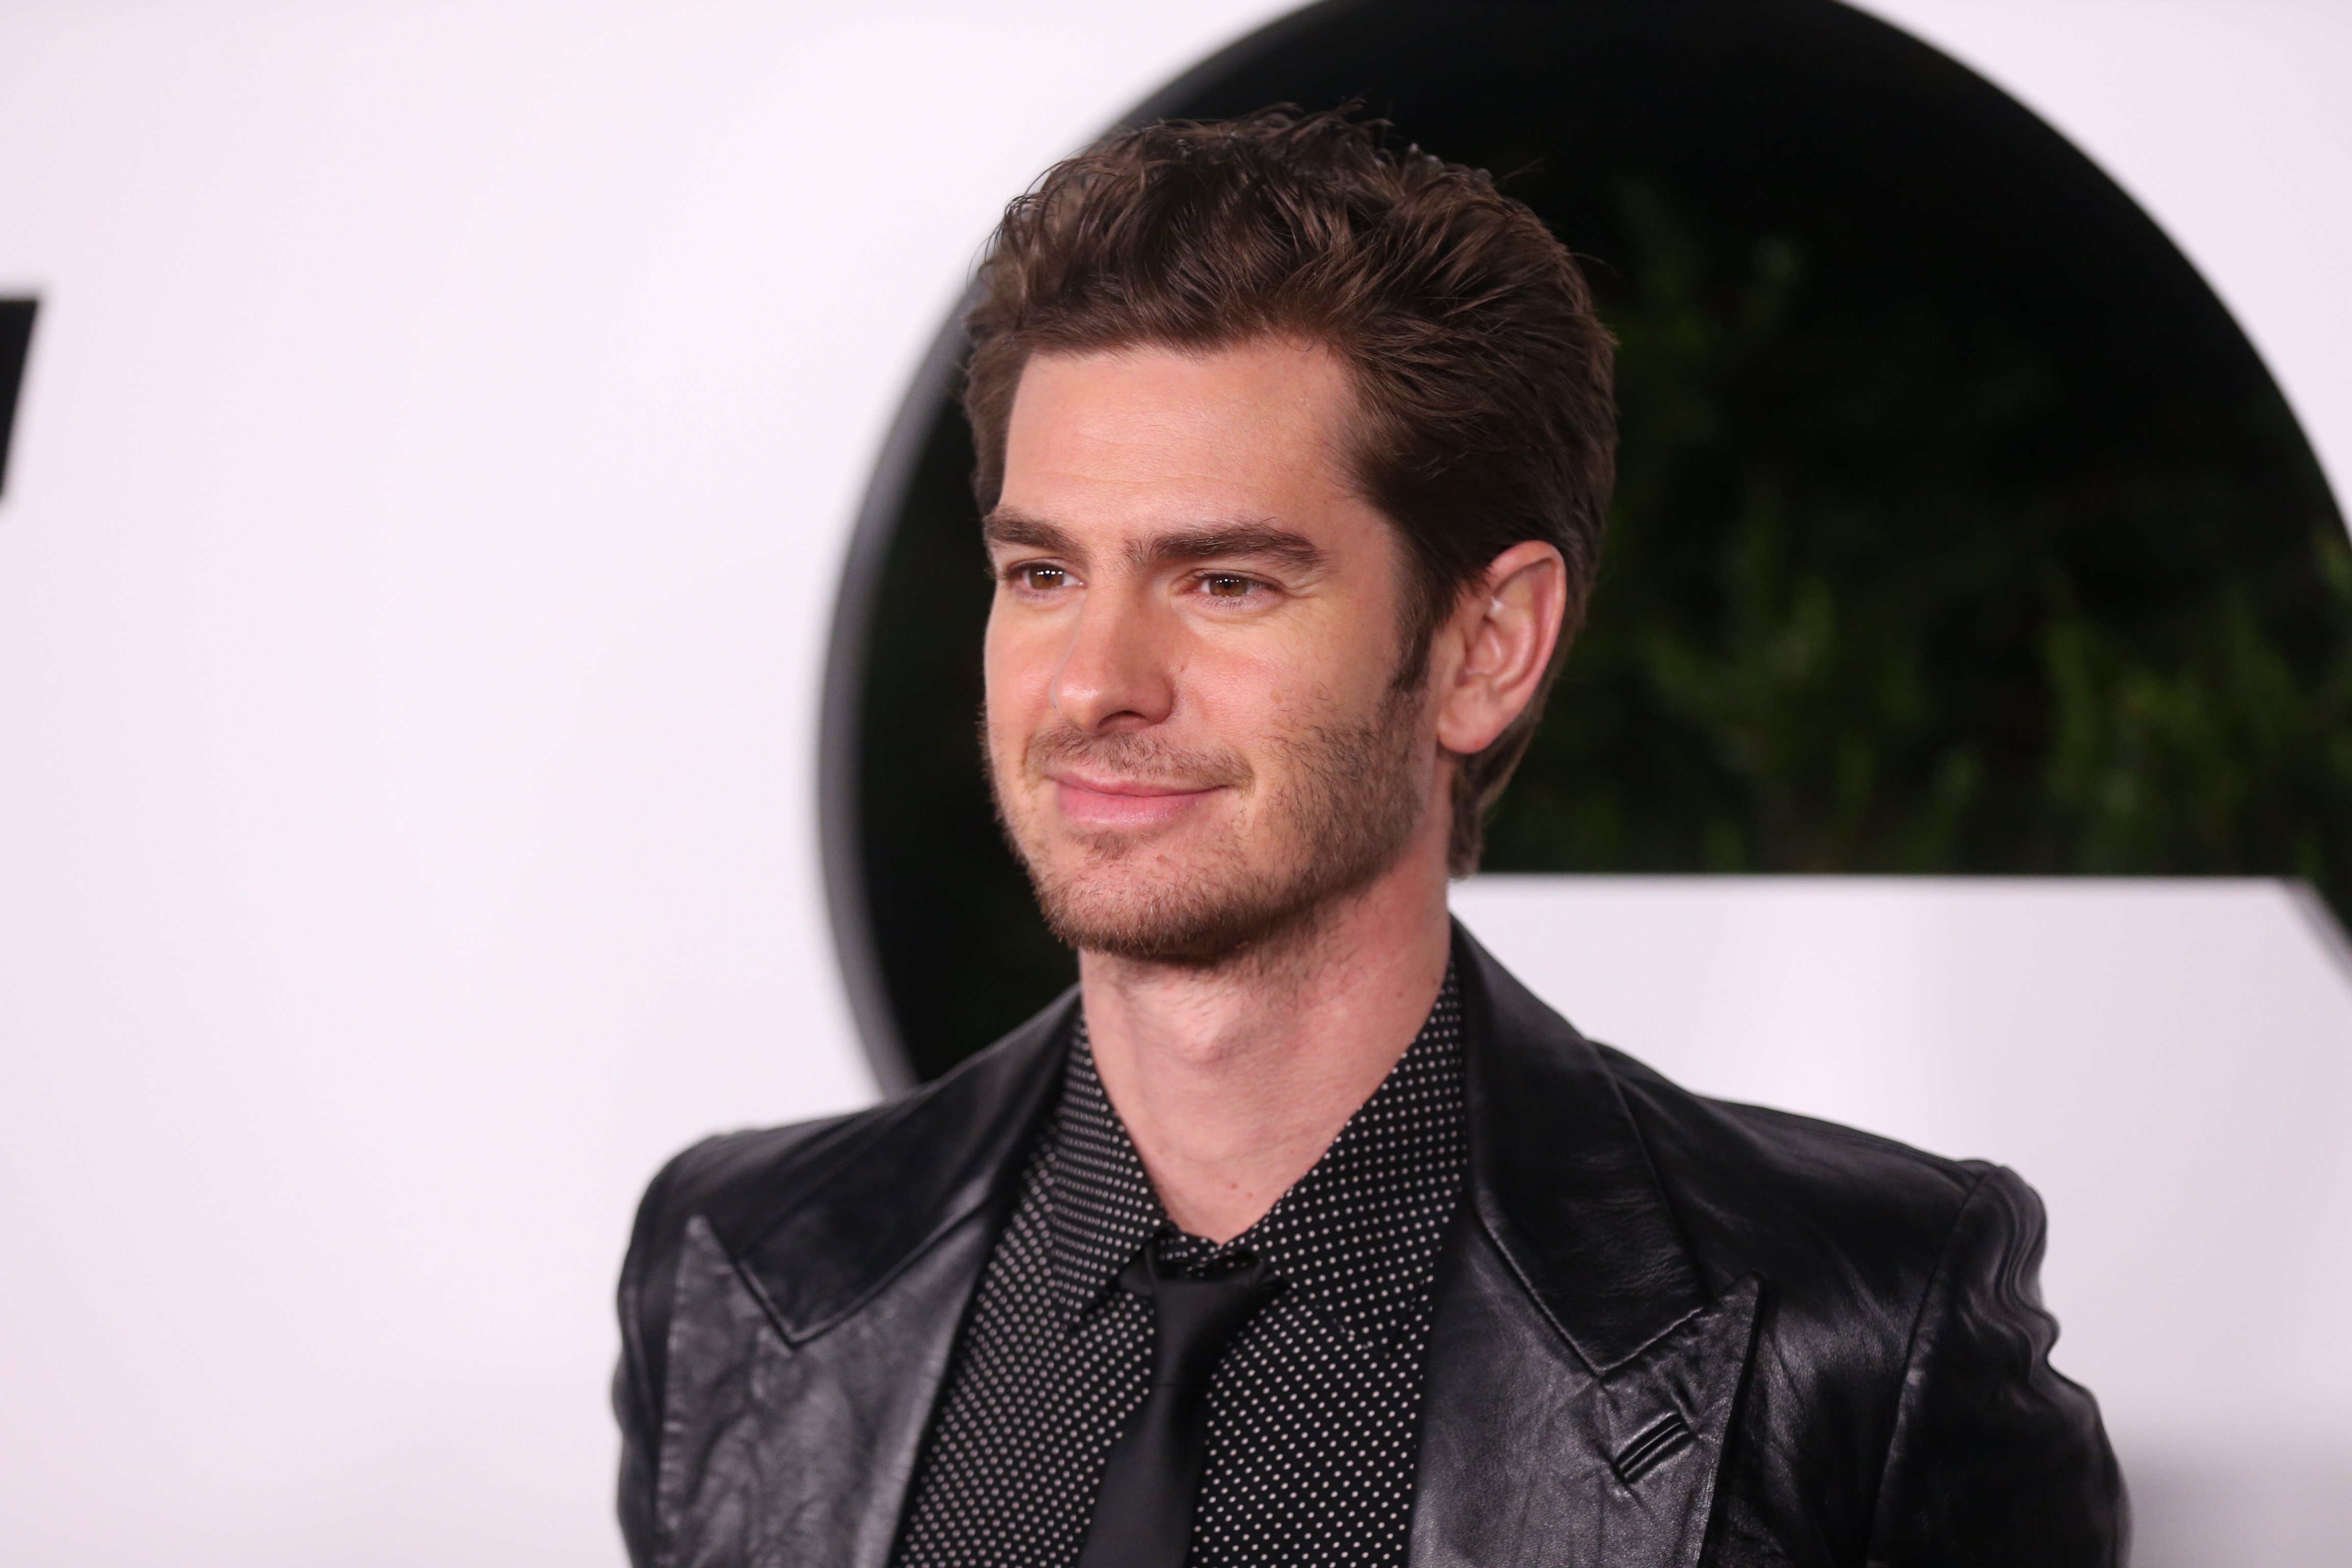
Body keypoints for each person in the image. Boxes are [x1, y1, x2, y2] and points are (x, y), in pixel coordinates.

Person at [614, 108, 2122, 1568]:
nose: (1094, 686)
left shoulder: (1859, 1335)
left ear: (1487, 646)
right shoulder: (744, 1270)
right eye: (1043, 572)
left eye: (1226, 583)